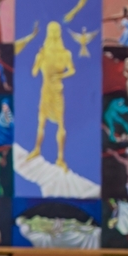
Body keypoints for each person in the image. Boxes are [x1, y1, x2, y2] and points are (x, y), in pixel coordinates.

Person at [26, 22, 75, 170]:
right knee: (41, 122)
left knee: (61, 123)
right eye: (51, 31)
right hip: (45, 91)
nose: (53, 34)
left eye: (56, 31)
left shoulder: (65, 53)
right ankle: (37, 149)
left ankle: (60, 158)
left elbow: (72, 70)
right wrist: (38, 59)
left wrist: (61, 74)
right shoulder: (43, 53)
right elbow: (34, 72)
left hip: (57, 91)